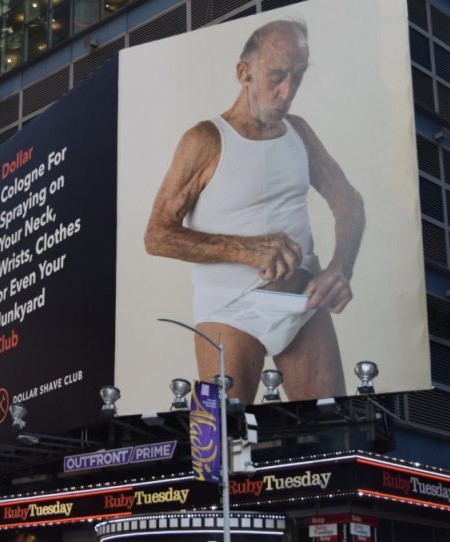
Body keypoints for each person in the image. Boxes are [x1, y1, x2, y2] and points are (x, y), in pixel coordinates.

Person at [144, 20, 365, 403]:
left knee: (331, 430)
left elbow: (349, 201)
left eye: (298, 77)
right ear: (243, 73)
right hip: (230, 310)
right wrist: (245, 249)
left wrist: (340, 268)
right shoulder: (206, 139)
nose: (288, 92)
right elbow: (157, 235)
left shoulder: (299, 132)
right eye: (277, 76)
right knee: (222, 445)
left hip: (303, 302)